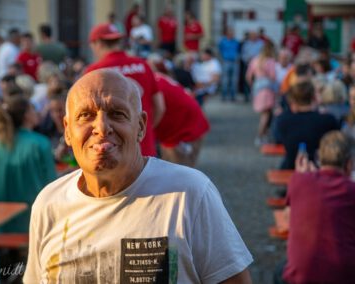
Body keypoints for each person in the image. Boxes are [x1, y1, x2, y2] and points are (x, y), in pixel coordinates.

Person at [23, 69, 253, 283]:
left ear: (141, 126)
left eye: (117, 114)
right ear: (67, 131)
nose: (102, 127)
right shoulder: (49, 203)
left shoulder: (190, 193)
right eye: (86, 115)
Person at [274, 131, 355, 283]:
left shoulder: (299, 180)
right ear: (349, 163)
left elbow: (288, 216)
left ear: (319, 157)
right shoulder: (351, 190)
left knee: (280, 271)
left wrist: (302, 176)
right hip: (345, 276)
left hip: (302, 277)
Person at [84, 23, 165, 156]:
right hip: (145, 148)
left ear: (97, 43)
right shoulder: (143, 65)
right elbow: (160, 107)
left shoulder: (94, 72)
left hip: (111, 152)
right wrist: (143, 130)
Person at [0, 95, 57, 233]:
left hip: (1, 223)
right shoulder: (40, 143)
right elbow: (52, 187)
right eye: (33, 109)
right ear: (26, 115)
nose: (37, 112)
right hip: (34, 222)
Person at [147, 54, 210, 167]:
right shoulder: (158, 78)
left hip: (183, 133)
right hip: (184, 129)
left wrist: (147, 133)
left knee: (178, 177)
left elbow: (159, 108)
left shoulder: (152, 82)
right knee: (172, 172)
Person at [274, 81, 339, 169]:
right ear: (313, 97)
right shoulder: (328, 119)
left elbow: (278, 139)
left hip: (291, 165)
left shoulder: (283, 120)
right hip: (319, 166)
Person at [246, 41, 277, 145]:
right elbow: (273, 76)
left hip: (257, 87)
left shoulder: (255, 60)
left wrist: (253, 86)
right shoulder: (270, 61)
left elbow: (249, 77)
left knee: (263, 114)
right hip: (267, 88)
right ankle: (260, 136)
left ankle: (264, 135)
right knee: (266, 115)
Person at [218, 28, 240, 101]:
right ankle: (224, 95)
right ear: (227, 33)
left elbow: (238, 51)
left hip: (234, 62)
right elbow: (220, 50)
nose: (231, 34)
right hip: (226, 61)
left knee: (234, 80)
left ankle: (233, 96)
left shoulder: (236, 42)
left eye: (232, 33)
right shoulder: (223, 41)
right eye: (230, 33)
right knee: (225, 80)